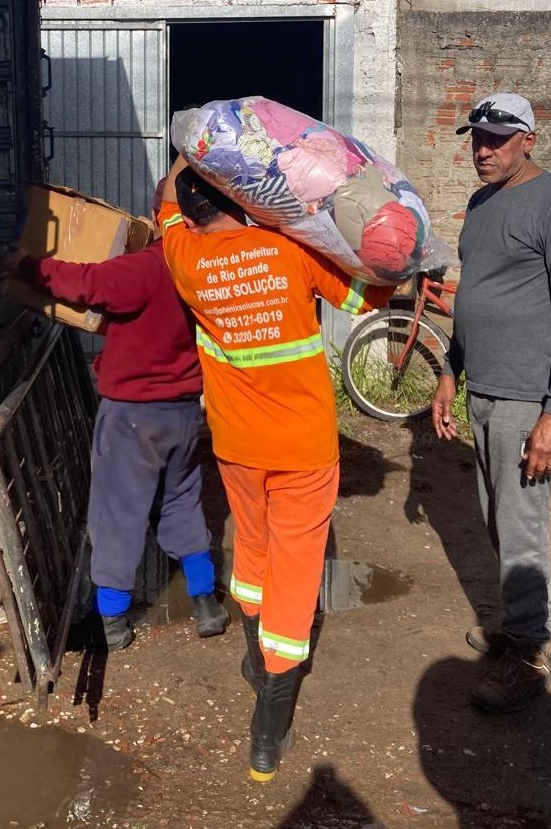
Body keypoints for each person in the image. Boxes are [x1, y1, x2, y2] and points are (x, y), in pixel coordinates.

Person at [157, 161, 393, 782]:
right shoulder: (288, 248)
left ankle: (255, 661)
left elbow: (166, 203)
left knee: (254, 549)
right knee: (295, 572)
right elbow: (370, 296)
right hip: (304, 450)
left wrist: (190, 151)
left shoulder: (183, 255)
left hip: (236, 445)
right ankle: (270, 724)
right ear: (236, 198)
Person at [2, 182, 229, 652]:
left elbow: (86, 284)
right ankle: (206, 601)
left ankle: (112, 620)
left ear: (160, 214)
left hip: (132, 416)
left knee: (118, 512)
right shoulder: (207, 270)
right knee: (181, 501)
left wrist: (26, 265)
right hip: (184, 411)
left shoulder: (147, 267)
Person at [430, 92, 551, 713]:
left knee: (520, 529)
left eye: (497, 139)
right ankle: (539, 627)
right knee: (503, 521)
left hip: (528, 397)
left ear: (529, 139)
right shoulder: (481, 203)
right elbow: (472, 295)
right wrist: (451, 368)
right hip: (485, 389)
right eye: (477, 137)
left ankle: (527, 654)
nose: (483, 149)